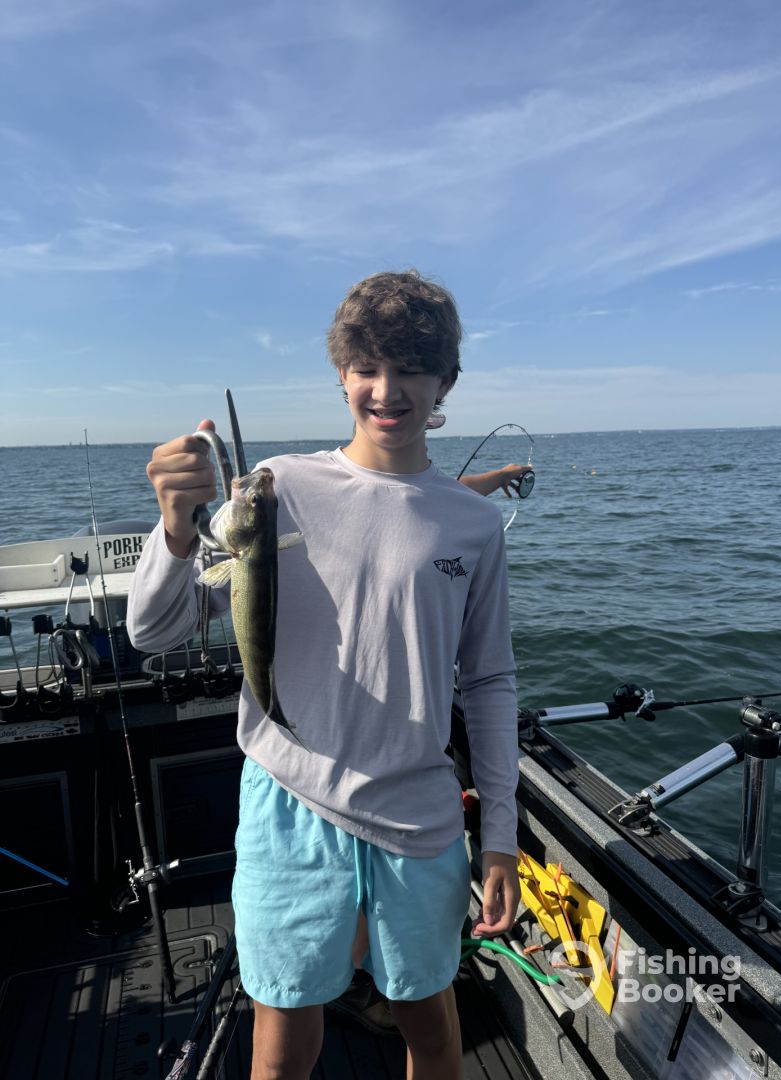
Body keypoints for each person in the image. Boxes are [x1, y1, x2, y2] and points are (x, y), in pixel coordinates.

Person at [127, 270, 520, 1080]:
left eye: (411, 369)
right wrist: (174, 530)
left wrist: (501, 840)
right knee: (280, 1047)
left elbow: (487, 683)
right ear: (342, 375)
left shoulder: (475, 522)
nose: (387, 390)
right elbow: (153, 632)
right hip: (291, 804)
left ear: (445, 382)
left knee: (432, 1028)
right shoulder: (279, 488)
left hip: (419, 815)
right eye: (367, 368)